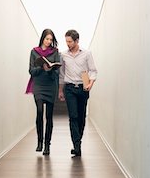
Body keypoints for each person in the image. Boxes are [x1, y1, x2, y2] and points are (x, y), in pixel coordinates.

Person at [59, 29, 97, 157]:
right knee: (73, 117)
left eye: (70, 41)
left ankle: (78, 139)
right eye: (66, 41)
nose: (68, 44)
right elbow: (62, 74)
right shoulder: (63, 55)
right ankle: (76, 146)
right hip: (69, 88)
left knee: (81, 117)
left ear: (77, 41)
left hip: (83, 88)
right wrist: (60, 90)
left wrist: (91, 83)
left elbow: (93, 70)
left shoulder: (86, 54)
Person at [26, 29, 60, 155]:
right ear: (42, 38)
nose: (49, 42)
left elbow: (57, 71)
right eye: (47, 39)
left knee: (49, 116)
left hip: (51, 86)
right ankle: (39, 142)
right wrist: (41, 67)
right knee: (40, 111)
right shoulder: (34, 52)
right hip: (38, 85)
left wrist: (50, 69)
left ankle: (47, 145)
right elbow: (31, 70)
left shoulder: (55, 52)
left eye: (51, 40)